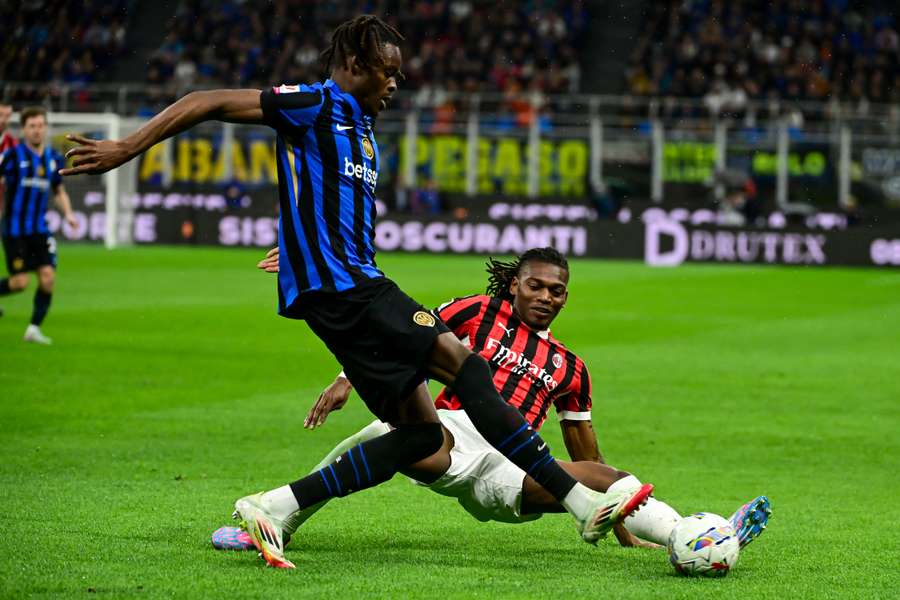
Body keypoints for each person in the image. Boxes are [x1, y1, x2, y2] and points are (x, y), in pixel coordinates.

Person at [60, 15, 653, 569]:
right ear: (349, 63)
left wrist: (297, 251)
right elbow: (204, 101)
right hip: (354, 290)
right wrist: (127, 147)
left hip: (340, 297)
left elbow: (322, 206)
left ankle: (275, 506)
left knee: (421, 436)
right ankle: (574, 498)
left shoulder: (364, 131)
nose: (393, 84)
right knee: (466, 367)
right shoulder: (317, 103)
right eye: (385, 71)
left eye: (396, 73)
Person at [211, 248, 770, 553]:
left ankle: (689, 538)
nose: (546, 297)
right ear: (515, 285)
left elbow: (586, 449)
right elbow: (400, 334)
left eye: (557, 291)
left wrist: (624, 524)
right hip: (451, 432)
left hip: (509, 466)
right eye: (536, 286)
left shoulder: (572, 368)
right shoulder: (473, 311)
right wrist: (345, 380)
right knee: (383, 438)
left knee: (613, 474)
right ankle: (278, 521)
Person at [0, 106, 77, 344]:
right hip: (14, 230)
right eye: (32, 126)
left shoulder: (53, 158)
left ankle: (33, 329)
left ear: (45, 127)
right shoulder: (13, 157)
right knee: (20, 283)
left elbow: (59, 190)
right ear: (24, 129)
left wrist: (69, 214)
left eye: (40, 125)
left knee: (47, 278)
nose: (36, 130)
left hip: (39, 230)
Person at [0, 102, 19, 318]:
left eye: (7, 115)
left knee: (20, 280)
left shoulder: (13, 147)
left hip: (5, 211)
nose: (4, 119)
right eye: (1, 115)